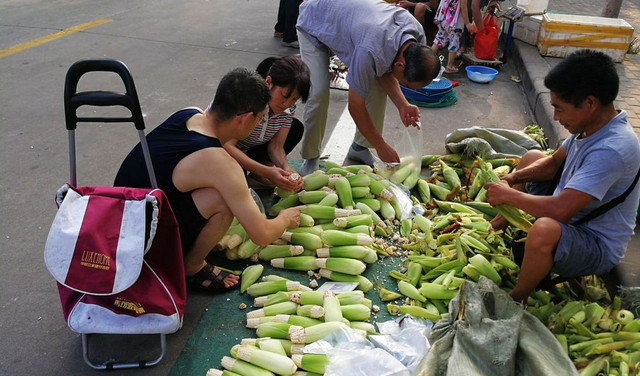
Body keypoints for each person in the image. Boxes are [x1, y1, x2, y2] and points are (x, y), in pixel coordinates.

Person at [114, 68, 301, 293]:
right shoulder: (221, 164)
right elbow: (261, 234)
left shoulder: (189, 113)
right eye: (259, 119)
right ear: (244, 119)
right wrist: (284, 219)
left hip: (117, 218)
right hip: (139, 243)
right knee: (223, 199)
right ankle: (191, 267)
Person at [484, 50, 640, 303]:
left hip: (594, 242)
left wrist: (508, 195)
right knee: (532, 157)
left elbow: (560, 212)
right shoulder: (592, 126)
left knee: (544, 230)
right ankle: (503, 224)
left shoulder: (612, 149)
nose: (556, 117)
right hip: (569, 210)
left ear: (590, 103)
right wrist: (513, 180)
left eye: (560, 109)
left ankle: (516, 298)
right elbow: (552, 165)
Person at [296, 0, 441, 175]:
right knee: (317, 92)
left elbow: (386, 69)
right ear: (401, 66)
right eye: (408, 84)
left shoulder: (417, 38)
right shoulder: (370, 50)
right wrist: (380, 145)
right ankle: (311, 157)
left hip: (350, 21)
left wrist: (403, 105)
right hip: (316, 19)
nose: (407, 88)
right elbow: (355, 105)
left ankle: (360, 147)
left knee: (377, 86)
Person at [224, 56, 309, 191]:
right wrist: (267, 172)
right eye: (284, 96)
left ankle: (257, 176)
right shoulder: (248, 101)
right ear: (268, 82)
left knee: (295, 128)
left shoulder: (288, 109)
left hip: (252, 148)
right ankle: (256, 175)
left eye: (294, 99)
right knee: (236, 188)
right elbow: (227, 146)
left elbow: (276, 146)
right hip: (225, 152)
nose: (287, 104)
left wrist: (286, 168)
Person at [431, 0, 467, 73]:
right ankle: (449, 66)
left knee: (439, 40)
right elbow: (463, 8)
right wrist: (468, 23)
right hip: (454, 23)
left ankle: (428, 60)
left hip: (443, 19)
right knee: (454, 43)